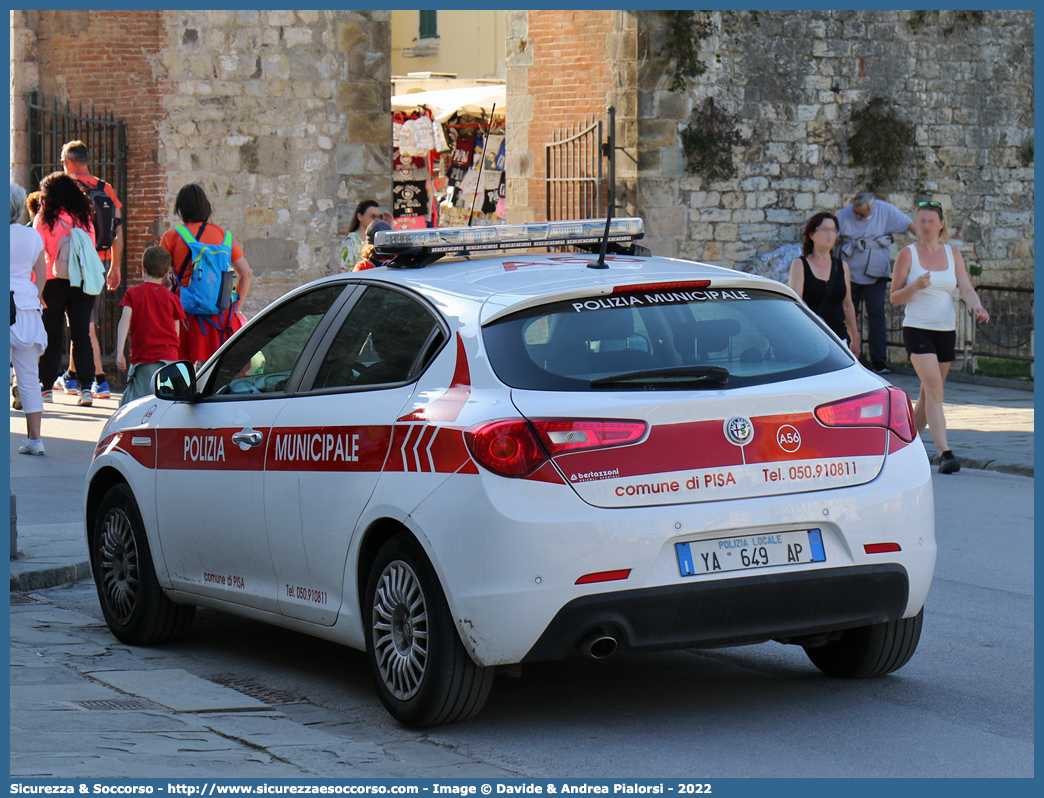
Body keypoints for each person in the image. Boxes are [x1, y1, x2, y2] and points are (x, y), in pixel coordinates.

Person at [890, 201, 989, 475]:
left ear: (941, 224)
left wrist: (978, 307)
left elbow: (966, 288)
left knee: (928, 393)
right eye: (921, 221)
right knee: (934, 387)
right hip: (917, 329)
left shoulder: (952, 253)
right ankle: (945, 452)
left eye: (931, 221)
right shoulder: (907, 254)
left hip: (946, 332)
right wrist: (915, 286)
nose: (925, 226)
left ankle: (905, 447)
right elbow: (895, 297)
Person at [160, 183, 252, 366]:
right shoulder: (225, 236)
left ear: (181, 209)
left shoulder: (172, 237)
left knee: (184, 375)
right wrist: (237, 304)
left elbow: (161, 279)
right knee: (217, 373)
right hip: (221, 315)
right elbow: (246, 273)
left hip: (186, 314)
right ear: (206, 207)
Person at [60, 140, 121, 399]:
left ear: (70, 162)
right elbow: (116, 229)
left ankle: (99, 380)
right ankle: (71, 377)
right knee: (81, 319)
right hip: (102, 259)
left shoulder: (66, 189)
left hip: (76, 262)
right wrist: (115, 265)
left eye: (63, 162)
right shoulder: (105, 188)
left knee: (85, 323)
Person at [33, 172, 98, 407]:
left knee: (52, 336)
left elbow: (37, 255)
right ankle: (86, 390)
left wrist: (36, 287)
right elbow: (90, 247)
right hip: (82, 281)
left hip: (53, 281)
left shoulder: (43, 219)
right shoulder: (84, 217)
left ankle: (47, 388)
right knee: (81, 335)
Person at [836, 191, 917, 374]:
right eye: (856, 212)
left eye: (862, 214)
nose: (858, 216)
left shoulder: (885, 210)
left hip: (876, 270)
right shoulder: (844, 215)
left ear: (872, 209)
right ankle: (848, 359)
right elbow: (831, 235)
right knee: (847, 315)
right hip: (850, 270)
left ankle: (879, 361)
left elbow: (910, 225)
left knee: (877, 314)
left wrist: (927, 245)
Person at [116, 247, 186, 406]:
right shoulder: (172, 298)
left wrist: (120, 352)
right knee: (165, 402)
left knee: (137, 404)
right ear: (166, 273)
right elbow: (177, 332)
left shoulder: (133, 293)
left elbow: (124, 321)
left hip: (144, 357)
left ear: (143, 269)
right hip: (169, 358)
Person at [10, 183, 49, 453]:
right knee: (28, 378)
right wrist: (34, 295)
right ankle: (35, 439)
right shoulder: (32, 236)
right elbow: (42, 275)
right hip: (25, 307)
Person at [788, 211, 860, 357]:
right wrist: (814, 318)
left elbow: (847, 305)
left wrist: (855, 337)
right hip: (810, 337)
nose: (830, 234)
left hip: (838, 337)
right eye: (825, 230)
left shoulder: (842, 266)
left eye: (833, 230)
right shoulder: (800, 265)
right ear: (812, 235)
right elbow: (795, 299)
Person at [338, 200, 391, 273]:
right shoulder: (350, 241)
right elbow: (346, 272)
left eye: (379, 216)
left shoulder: (377, 238)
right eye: (373, 216)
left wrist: (389, 227)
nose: (376, 219)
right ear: (360, 217)